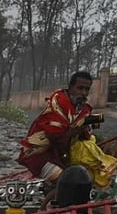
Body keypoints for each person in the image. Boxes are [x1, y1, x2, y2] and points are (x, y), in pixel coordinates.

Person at [16, 71, 97, 205]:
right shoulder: (57, 103)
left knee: (83, 179)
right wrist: (79, 129)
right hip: (38, 155)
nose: (83, 93)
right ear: (70, 87)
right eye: (80, 88)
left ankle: (64, 209)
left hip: (60, 156)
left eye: (86, 89)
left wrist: (87, 127)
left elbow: (86, 132)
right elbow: (56, 135)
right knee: (66, 181)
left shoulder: (83, 109)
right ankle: (43, 211)